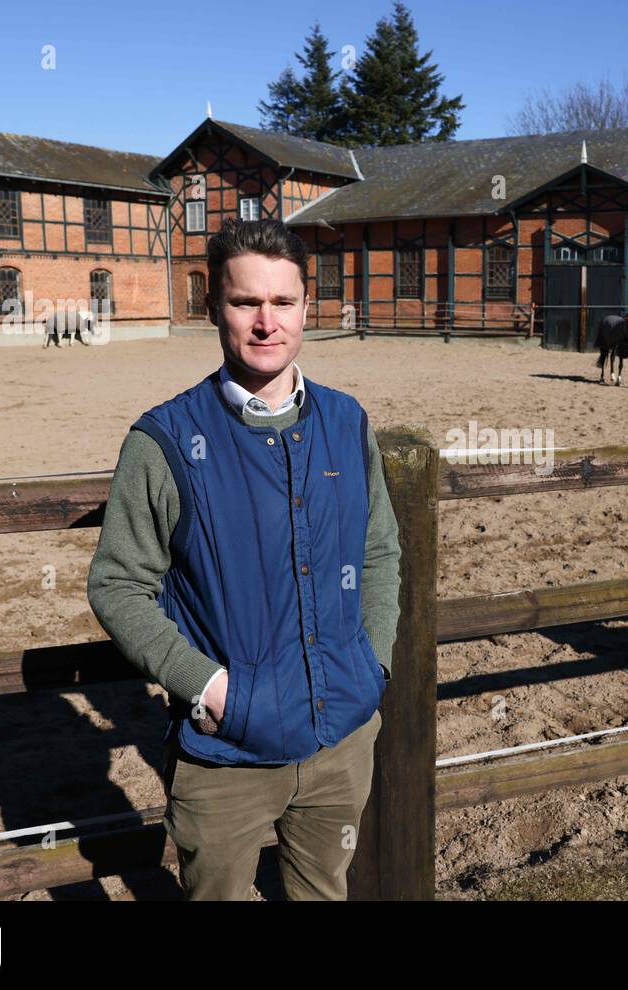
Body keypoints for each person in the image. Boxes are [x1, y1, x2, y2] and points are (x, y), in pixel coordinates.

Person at [87, 218, 402, 900]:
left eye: (282, 303)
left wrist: (371, 663)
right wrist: (209, 688)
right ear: (213, 310)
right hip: (225, 755)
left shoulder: (347, 422)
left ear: (306, 308)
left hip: (342, 737)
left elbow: (377, 548)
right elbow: (118, 584)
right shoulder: (164, 440)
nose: (267, 322)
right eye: (245, 302)